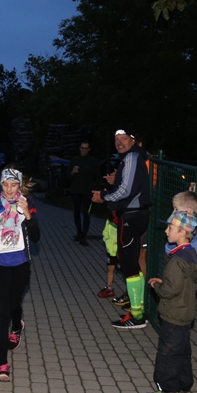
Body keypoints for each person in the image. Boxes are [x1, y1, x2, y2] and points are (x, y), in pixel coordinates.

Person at [0, 167, 41, 382]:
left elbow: (36, 236)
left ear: (19, 186)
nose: (8, 189)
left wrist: (27, 214)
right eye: (5, 184)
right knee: (2, 312)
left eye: (13, 185)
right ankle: (3, 365)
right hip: (0, 265)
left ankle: (17, 326)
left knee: (14, 304)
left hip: (21, 264)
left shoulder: (28, 203)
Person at [92, 126, 151, 329]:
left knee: (129, 266)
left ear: (133, 141)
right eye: (117, 139)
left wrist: (104, 196)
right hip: (136, 215)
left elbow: (126, 190)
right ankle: (139, 310)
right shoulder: (133, 157)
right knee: (132, 264)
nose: (119, 142)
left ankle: (137, 316)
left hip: (132, 216)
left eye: (124, 138)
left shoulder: (133, 157)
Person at [144, 211, 197, 393]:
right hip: (185, 311)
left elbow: (170, 290)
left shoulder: (177, 260)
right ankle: (183, 385)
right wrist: (166, 282)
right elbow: (181, 283)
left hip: (174, 313)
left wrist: (157, 286)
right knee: (182, 350)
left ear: (183, 232)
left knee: (168, 353)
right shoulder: (190, 254)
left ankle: (168, 390)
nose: (166, 231)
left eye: (170, 228)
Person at [164, 190, 197, 291]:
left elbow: (170, 248)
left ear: (189, 211)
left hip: (189, 274)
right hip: (189, 271)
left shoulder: (194, 228)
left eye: (176, 209)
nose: (173, 212)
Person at [69, 141, 98, 246]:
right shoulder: (74, 160)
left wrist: (97, 191)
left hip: (87, 192)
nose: (84, 150)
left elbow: (97, 177)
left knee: (86, 214)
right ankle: (79, 232)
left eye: (86, 148)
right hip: (75, 191)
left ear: (89, 149)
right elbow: (67, 176)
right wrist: (73, 172)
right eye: (82, 148)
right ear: (79, 148)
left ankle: (84, 236)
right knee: (76, 212)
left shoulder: (93, 161)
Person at [96, 216, 119, 299]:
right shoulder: (109, 220)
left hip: (120, 251)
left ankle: (130, 291)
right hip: (111, 250)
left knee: (126, 272)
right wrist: (107, 240)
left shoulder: (122, 220)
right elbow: (105, 232)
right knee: (110, 268)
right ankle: (109, 289)